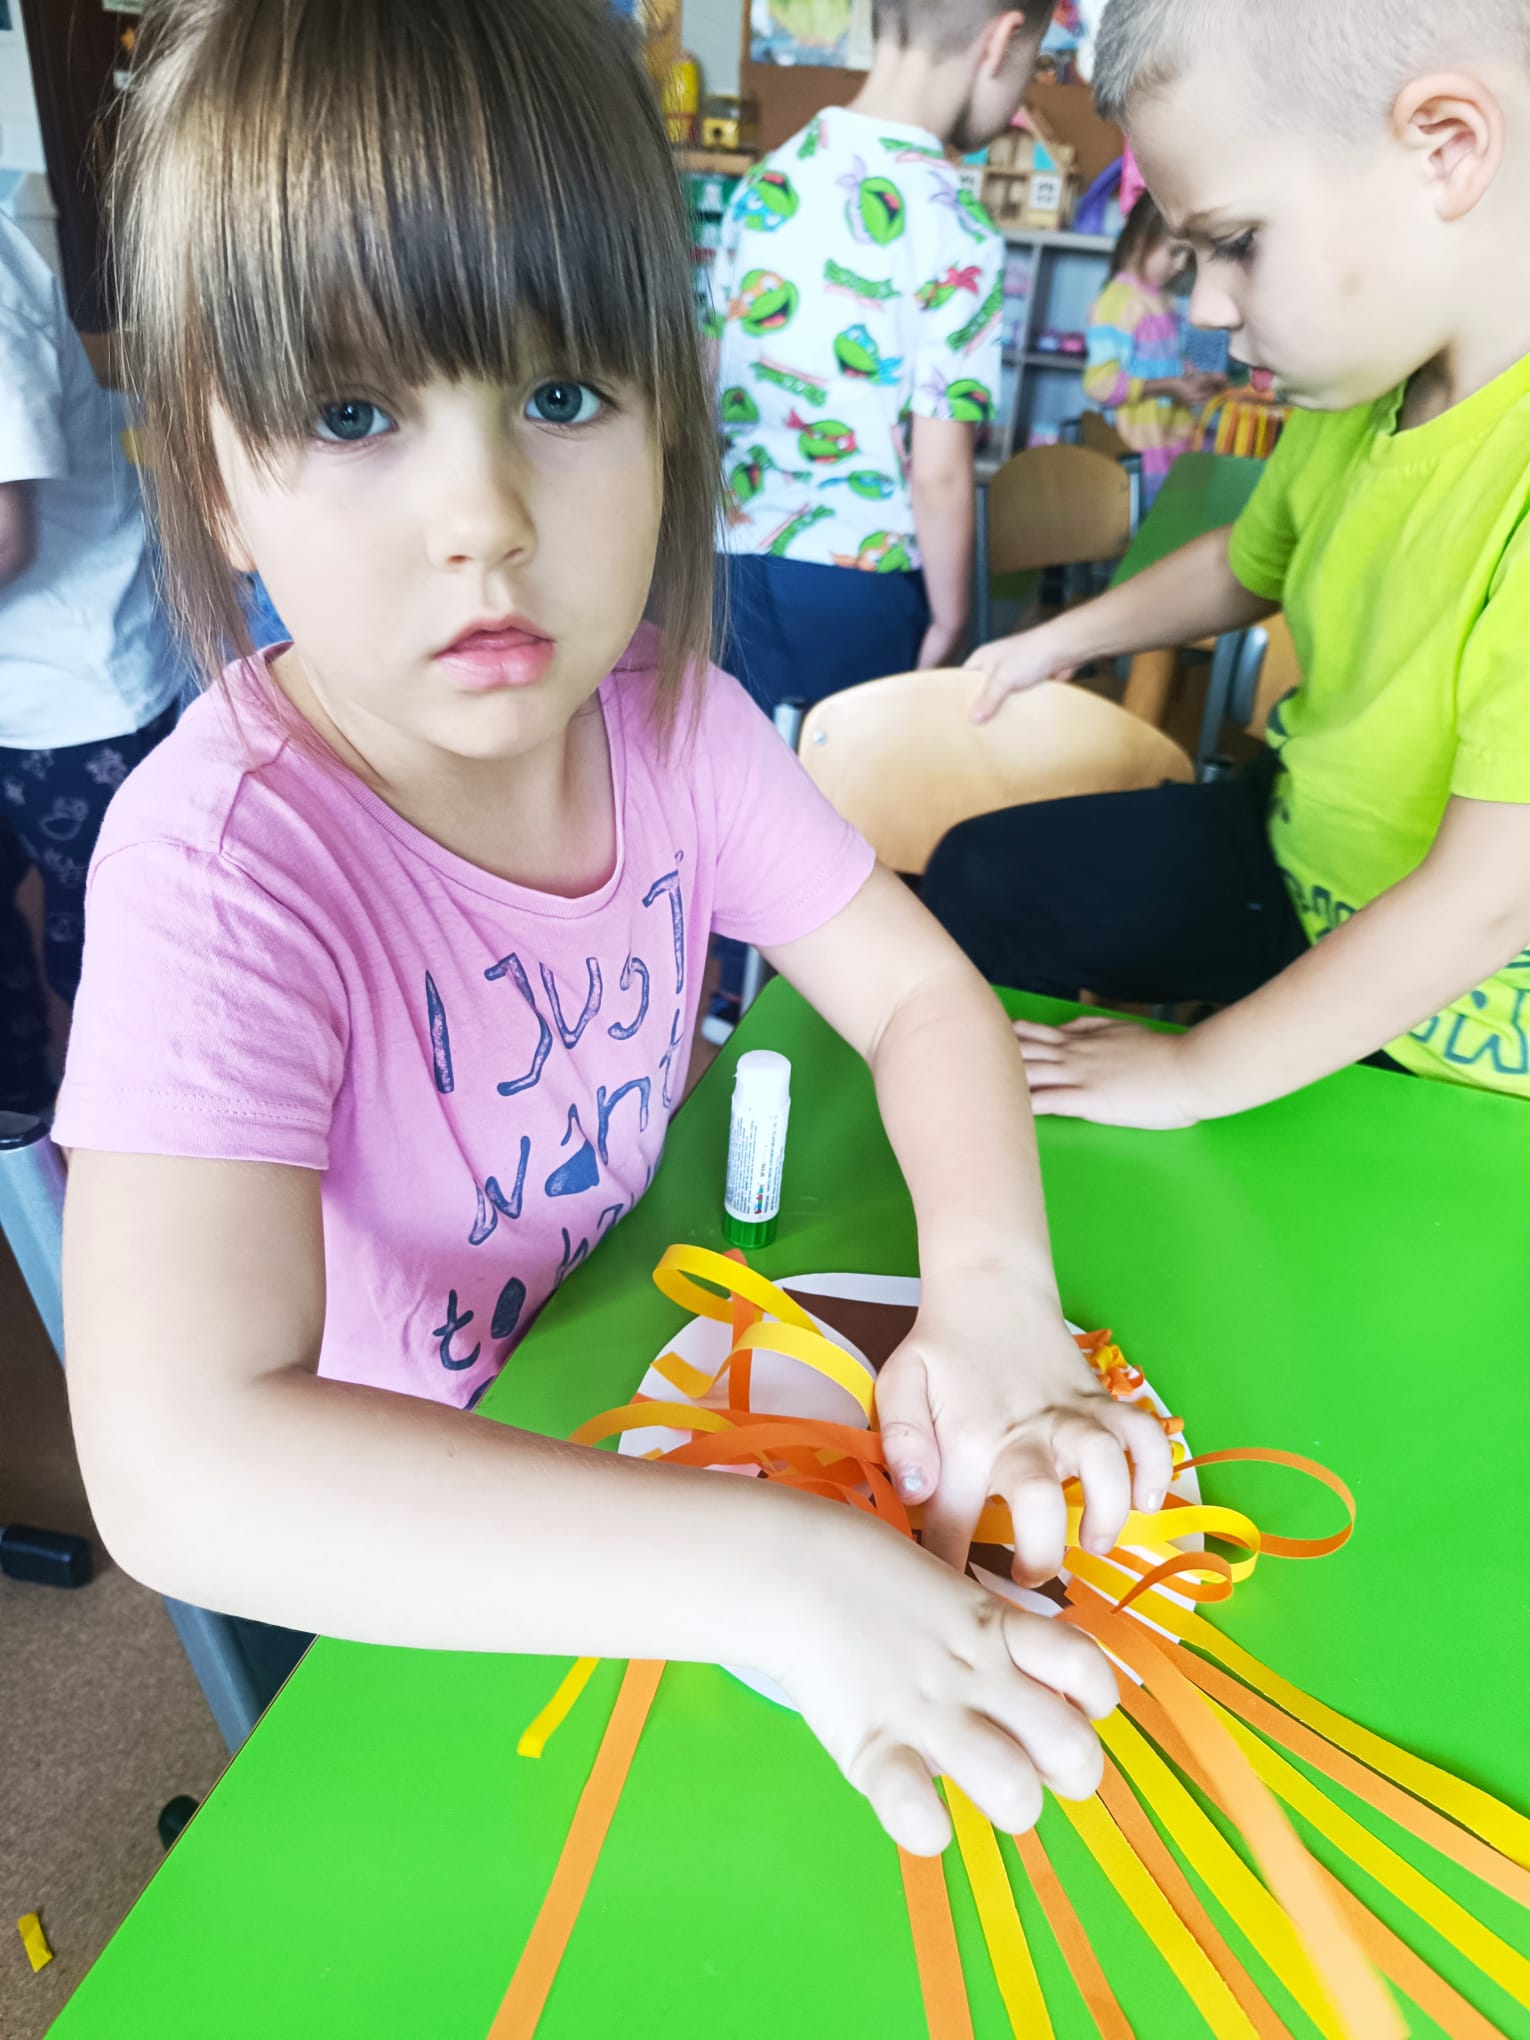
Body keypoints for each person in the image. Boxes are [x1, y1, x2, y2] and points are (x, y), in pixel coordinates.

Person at [56, 0, 1170, 1859]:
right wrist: (775, 1574)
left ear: (672, 414)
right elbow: (181, 1472)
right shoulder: (225, 866)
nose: (482, 521)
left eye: (563, 398)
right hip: (427, 1557)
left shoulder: (671, 722)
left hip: (628, 1394)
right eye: (353, 415)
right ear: (217, 485)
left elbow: (921, 999)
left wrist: (991, 1294)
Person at [921, 0, 1530, 1125]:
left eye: (1238, 243)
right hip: (1292, 861)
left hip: (1467, 1030)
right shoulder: (1364, 390)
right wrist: (1058, 641)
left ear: (1448, 147)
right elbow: (1249, 563)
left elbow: (1489, 901)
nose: (1203, 304)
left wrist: (1196, 1072)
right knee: (985, 874)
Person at [703, 0, 1050, 1038]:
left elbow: (712, 387)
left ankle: (716, 1020)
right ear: (999, 38)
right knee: (838, 841)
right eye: (1030, 68)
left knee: (729, 811)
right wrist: (951, 618)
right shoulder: (955, 224)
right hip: (858, 580)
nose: (1020, 100)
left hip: (731, 560)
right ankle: (804, 1040)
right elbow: (940, 472)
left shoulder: (769, 179)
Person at [0, 214, 181, 1115]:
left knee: (111, 948)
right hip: (30, 680)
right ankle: (29, 1126)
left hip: (75, 692)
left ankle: (105, 1130)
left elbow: (6, 537)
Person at [1083, 192, 1222, 504]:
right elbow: (1099, 385)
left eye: (1187, 255)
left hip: (1170, 441)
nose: (1181, 265)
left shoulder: (1160, 299)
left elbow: (1158, 362)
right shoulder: (1119, 302)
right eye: (1174, 252)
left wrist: (1193, 377)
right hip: (1139, 453)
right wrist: (1171, 385)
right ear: (1139, 241)